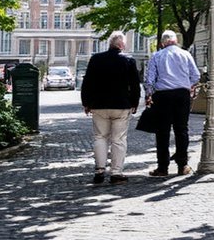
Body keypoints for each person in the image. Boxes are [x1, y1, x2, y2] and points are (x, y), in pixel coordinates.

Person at [81, 31, 141, 184]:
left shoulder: (96, 59)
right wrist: (134, 103)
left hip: (99, 105)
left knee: (100, 137)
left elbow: (87, 82)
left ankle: (100, 170)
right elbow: (135, 85)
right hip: (121, 105)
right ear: (121, 45)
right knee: (118, 139)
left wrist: (86, 102)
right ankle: (116, 172)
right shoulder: (128, 60)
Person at [144, 30, 200, 177]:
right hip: (182, 94)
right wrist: (188, 86)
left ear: (162, 43)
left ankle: (162, 167)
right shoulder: (186, 54)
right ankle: (182, 165)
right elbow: (196, 75)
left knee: (162, 132)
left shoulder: (157, 56)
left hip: (162, 96)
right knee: (181, 129)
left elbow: (149, 79)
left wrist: (148, 94)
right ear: (176, 41)